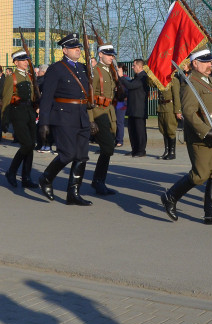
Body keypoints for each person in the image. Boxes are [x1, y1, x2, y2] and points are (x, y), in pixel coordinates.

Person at [159, 49, 212, 225]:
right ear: (195, 64)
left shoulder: (210, 81)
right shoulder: (191, 83)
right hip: (203, 136)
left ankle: (211, 213)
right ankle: (170, 196)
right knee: (200, 174)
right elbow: (189, 112)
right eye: (205, 62)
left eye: (210, 61)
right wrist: (206, 130)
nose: (210, 65)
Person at [36, 33, 93, 206]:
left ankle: (73, 193)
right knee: (67, 154)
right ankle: (46, 178)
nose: (78, 50)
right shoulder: (56, 69)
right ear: (65, 50)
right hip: (63, 117)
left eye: (79, 48)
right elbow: (47, 97)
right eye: (74, 48)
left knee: (82, 156)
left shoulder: (83, 68)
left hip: (82, 116)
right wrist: (44, 122)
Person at [2, 50, 39, 190]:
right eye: (23, 60)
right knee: (27, 144)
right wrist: (5, 119)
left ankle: (26, 177)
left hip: (29, 112)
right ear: (16, 62)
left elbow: (32, 96)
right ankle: (11, 171)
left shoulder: (29, 76)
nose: (26, 62)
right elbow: (6, 99)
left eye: (26, 60)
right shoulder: (12, 77)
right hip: (17, 113)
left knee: (31, 146)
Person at [88, 45, 120, 195]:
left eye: (112, 55)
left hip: (109, 113)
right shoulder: (95, 72)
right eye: (108, 55)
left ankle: (99, 181)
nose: (111, 57)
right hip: (98, 112)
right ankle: (98, 181)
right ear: (100, 54)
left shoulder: (110, 72)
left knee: (108, 149)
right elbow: (89, 98)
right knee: (107, 148)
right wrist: (90, 120)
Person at [121, 58, 149, 158]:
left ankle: (141, 150)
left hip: (139, 110)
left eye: (134, 65)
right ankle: (135, 149)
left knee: (140, 131)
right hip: (133, 109)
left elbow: (130, 86)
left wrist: (121, 76)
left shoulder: (143, 77)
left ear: (140, 66)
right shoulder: (137, 77)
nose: (132, 67)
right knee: (132, 131)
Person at [156, 73, 181, 160]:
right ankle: (166, 151)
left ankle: (172, 152)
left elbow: (176, 96)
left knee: (170, 130)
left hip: (170, 107)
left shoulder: (174, 80)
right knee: (163, 130)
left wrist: (177, 111)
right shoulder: (161, 80)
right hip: (162, 107)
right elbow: (150, 83)